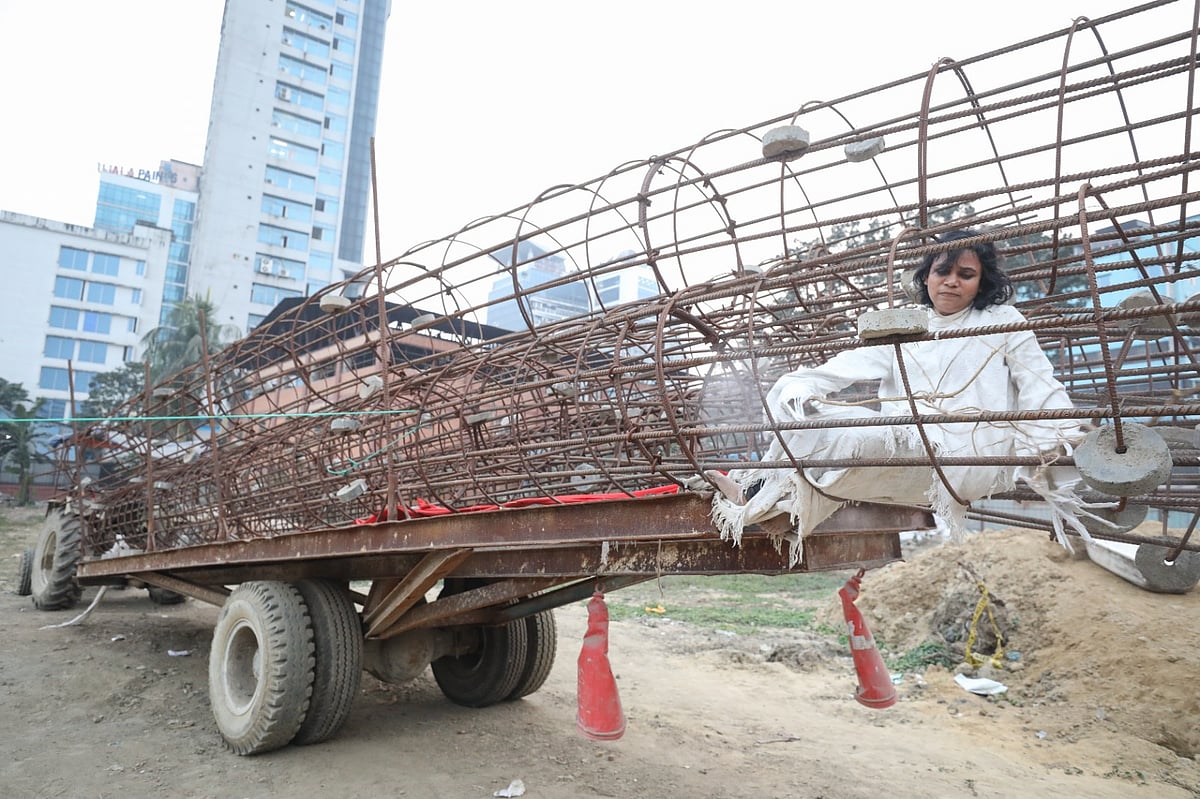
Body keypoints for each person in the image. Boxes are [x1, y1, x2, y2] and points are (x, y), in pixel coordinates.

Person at [709, 229, 1092, 564]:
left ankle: (761, 497)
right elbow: (854, 361)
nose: (952, 282)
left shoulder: (1002, 321)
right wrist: (802, 385)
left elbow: (1039, 384)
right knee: (820, 426)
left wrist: (1062, 440)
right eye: (943, 271)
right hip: (906, 440)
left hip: (963, 454)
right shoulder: (909, 322)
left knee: (844, 441)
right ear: (927, 277)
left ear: (982, 282)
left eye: (966, 274)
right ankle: (769, 502)